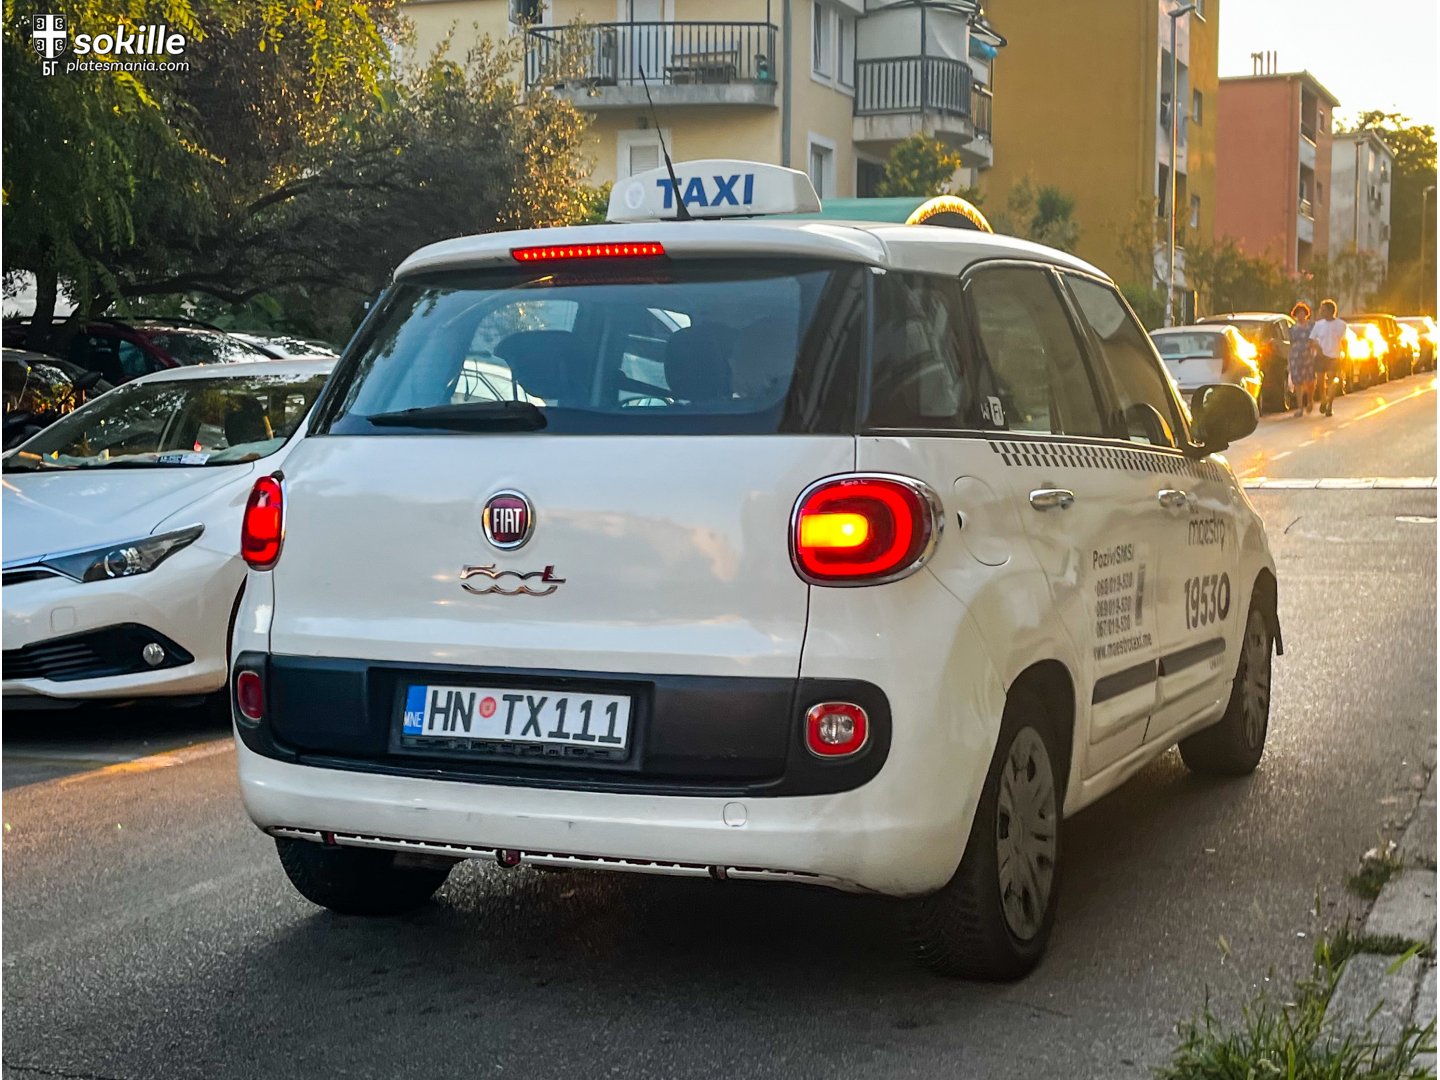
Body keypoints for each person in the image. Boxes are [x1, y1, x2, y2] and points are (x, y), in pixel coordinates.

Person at [1310, 299, 1347, 417]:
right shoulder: (1318, 324)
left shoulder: (1341, 324)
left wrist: (1344, 354)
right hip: (1321, 356)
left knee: (1332, 381)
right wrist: (1318, 349)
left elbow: (1344, 341)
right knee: (1320, 382)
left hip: (1334, 356)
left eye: (1324, 310)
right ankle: (1323, 400)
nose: (1322, 312)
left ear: (1331, 311)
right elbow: (1311, 340)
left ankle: (1329, 405)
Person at [1288, 302, 1317, 416]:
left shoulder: (1311, 326)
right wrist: (1289, 360)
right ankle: (1300, 407)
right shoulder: (1292, 329)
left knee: (1310, 380)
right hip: (1296, 356)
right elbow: (1291, 344)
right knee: (1298, 382)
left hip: (1309, 355)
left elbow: (1315, 339)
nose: (1301, 316)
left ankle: (1310, 400)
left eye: (1302, 313)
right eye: (1298, 314)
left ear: (1306, 314)